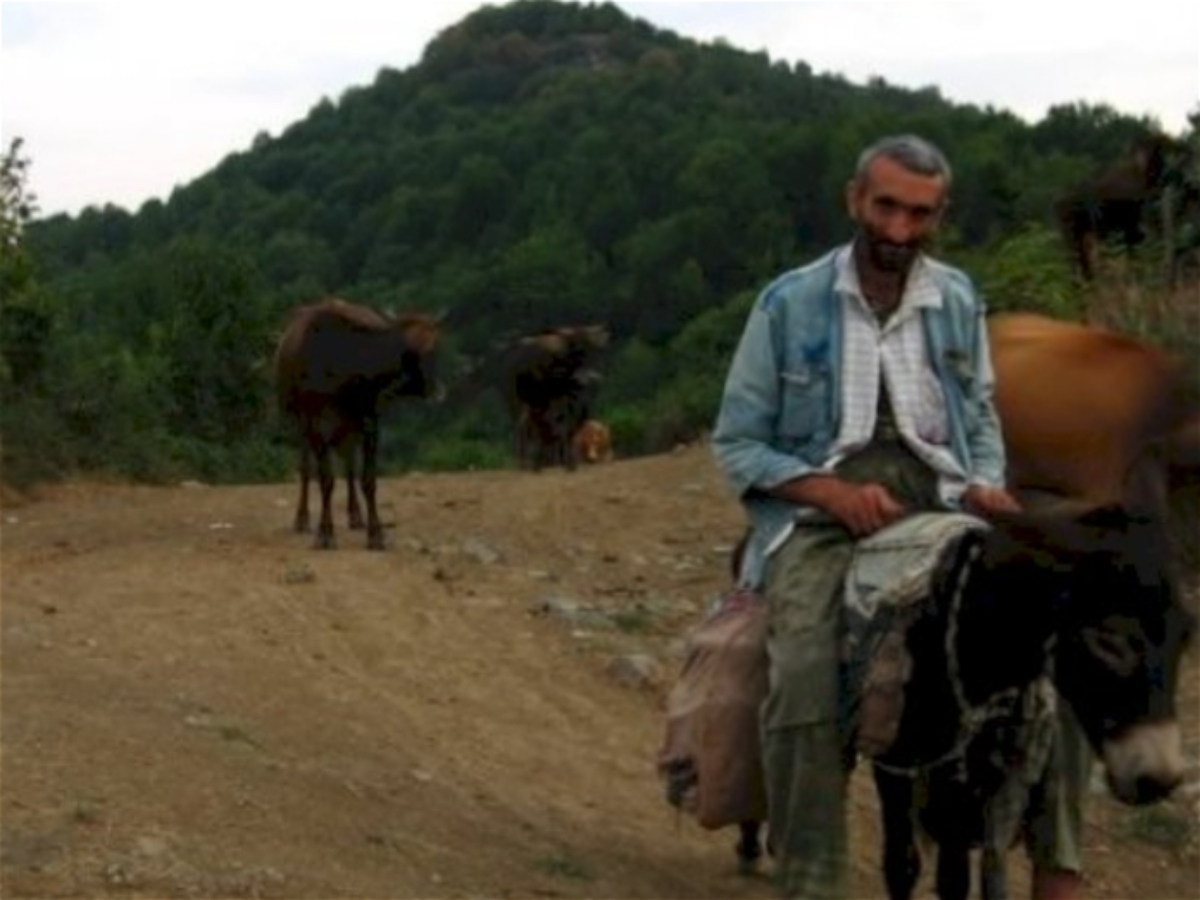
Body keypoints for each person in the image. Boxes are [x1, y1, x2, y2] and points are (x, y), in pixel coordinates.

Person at [710, 134, 1086, 900]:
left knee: (1055, 633)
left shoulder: (957, 297)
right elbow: (739, 442)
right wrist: (827, 491)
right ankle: (812, 880)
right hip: (820, 518)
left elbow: (977, 417)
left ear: (939, 215)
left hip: (941, 502)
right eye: (886, 207)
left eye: (920, 213)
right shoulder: (788, 302)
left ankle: (1059, 866)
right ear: (856, 200)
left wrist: (986, 483)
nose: (900, 230)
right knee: (805, 674)